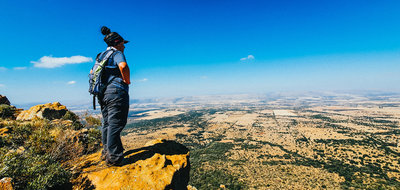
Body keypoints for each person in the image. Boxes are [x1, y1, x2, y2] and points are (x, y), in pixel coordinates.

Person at [96, 26, 131, 166]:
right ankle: (115, 159)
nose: (124, 46)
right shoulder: (116, 53)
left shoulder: (101, 55)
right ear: (117, 42)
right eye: (123, 43)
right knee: (116, 124)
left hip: (102, 94)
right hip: (116, 93)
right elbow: (123, 66)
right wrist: (127, 80)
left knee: (107, 123)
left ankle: (106, 153)